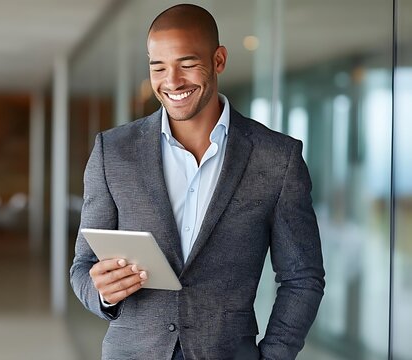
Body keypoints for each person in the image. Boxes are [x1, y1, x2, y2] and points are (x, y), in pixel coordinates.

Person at [69, 4, 325, 360]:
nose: (171, 81)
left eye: (187, 64)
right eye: (158, 66)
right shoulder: (112, 152)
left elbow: (303, 278)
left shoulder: (277, 158)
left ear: (218, 60)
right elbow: (83, 266)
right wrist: (103, 293)